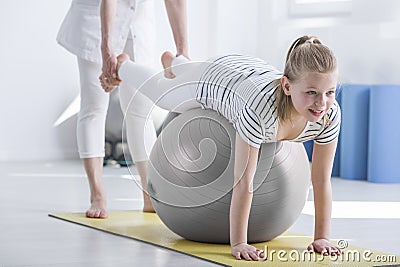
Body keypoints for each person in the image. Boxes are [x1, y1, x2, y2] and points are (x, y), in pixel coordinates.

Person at [101, 35, 342, 261]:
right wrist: (239, 243)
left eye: (329, 92)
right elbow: (244, 181)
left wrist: (322, 238)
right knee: (165, 96)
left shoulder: (329, 115)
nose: (321, 103)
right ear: (287, 87)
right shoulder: (259, 111)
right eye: (311, 93)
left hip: (247, 73)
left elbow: (321, 180)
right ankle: (125, 66)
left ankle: (179, 65)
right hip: (216, 77)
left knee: (187, 75)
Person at [57, 0, 188, 218]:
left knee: (139, 107)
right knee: (94, 104)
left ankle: (150, 194)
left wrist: (183, 52)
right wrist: (106, 50)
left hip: (138, 19)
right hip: (97, 17)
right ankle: (97, 195)